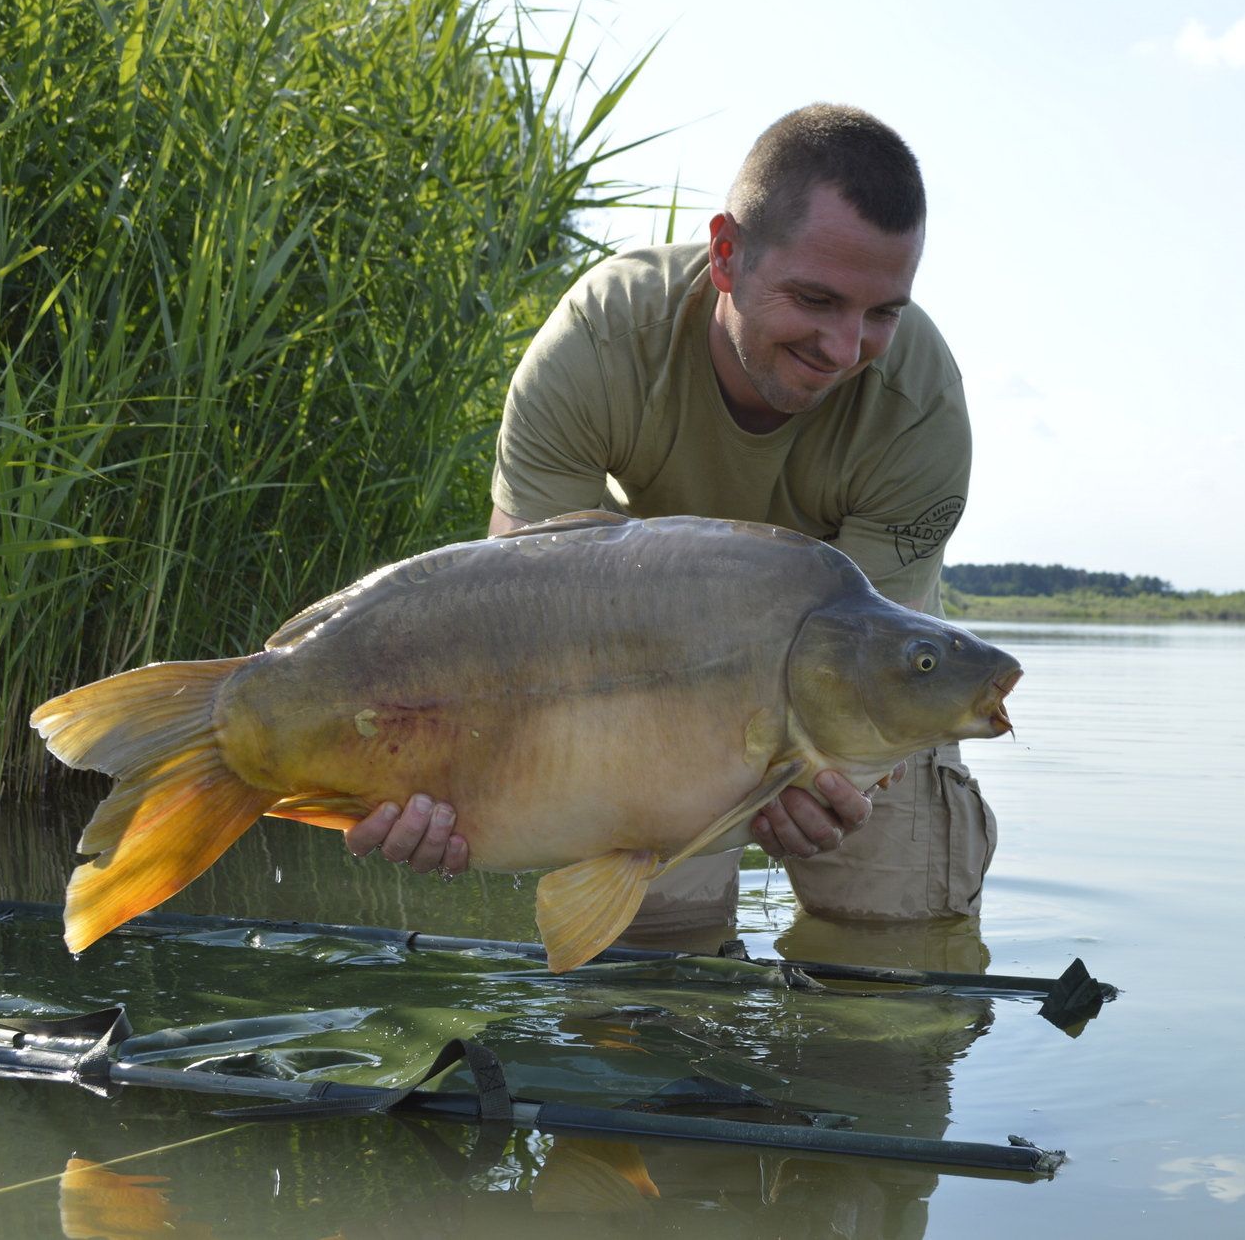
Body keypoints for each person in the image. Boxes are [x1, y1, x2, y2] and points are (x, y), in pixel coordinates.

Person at [345, 103, 997, 934]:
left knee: (899, 938)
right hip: (634, 677)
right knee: (650, 965)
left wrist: (821, 776)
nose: (845, 347)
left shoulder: (919, 402)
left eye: (882, 313)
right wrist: (450, 781)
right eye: (815, 299)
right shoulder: (603, 337)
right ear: (726, 254)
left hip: (848, 699)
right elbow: (512, 618)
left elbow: (880, 655)